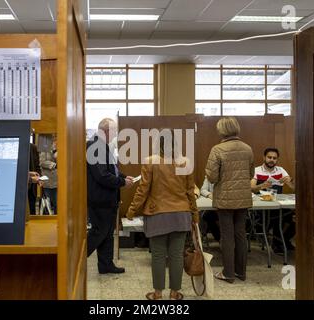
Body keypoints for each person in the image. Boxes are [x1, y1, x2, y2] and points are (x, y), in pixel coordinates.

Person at [126, 130, 199, 301]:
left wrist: (131, 210)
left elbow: (143, 189)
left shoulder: (150, 162)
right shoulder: (185, 162)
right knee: (176, 254)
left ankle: (158, 293)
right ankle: (174, 293)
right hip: (181, 214)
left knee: (158, 255)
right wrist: (195, 215)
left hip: (157, 213)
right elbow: (190, 191)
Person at [205, 117, 254, 283]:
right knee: (241, 235)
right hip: (243, 199)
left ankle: (228, 273)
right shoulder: (247, 148)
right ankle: (241, 273)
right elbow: (251, 175)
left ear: (221, 130)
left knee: (227, 236)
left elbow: (211, 177)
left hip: (225, 199)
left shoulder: (217, 150)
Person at [87, 118, 134, 274]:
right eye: (114, 131)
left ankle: (106, 264)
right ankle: (75, 259)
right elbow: (102, 176)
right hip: (100, 199)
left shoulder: (101, 146)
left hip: (106, 198)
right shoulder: (95, 147)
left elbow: (111, 169)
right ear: (106, 131)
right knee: (99, 232)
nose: (115, 135)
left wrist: (123, 177)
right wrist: (121, 182)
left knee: (107, 234)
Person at [251, 148, 295, 254]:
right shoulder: (257, 170)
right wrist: (261, 185)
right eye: (269, 157)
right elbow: (251, 188)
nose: (272, 160)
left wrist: (290, 183)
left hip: (277, 203)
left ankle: (283, 240)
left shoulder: (281, 170)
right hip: (261, 206)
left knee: (295, 218)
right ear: (264, 158)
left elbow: (294, 188)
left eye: (274, 158)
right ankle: (278, 243)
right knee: (279, 217)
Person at [40, 135, 58, 214]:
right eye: (56, 140)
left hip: (59, 182)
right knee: (48, 204)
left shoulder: (63, 148)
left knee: (58, 204)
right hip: (49, 182)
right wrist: (55, 165)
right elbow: (42, 162)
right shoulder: (45, 149)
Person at [199, 176, 220, 242]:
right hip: (214, 208)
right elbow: (203, 190)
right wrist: (209, 195)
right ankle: (219, 238)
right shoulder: (209, 176)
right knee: (207, 215)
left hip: (229, 206)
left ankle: (221, 239)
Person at [28, 143, 41, 215]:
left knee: (32, 211)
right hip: (20, 188)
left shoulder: (33, 147)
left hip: (32, 187)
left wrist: (40, 178)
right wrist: (30, 177)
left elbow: (37, 166)